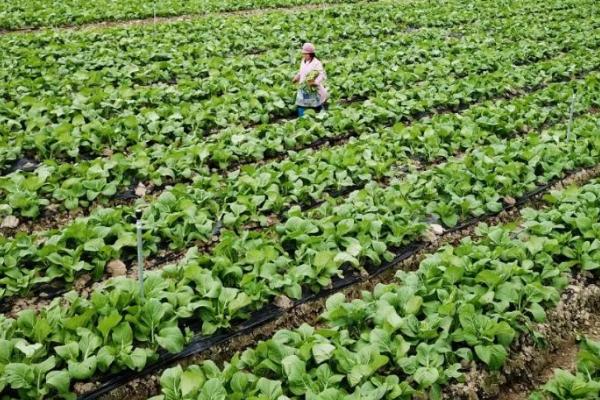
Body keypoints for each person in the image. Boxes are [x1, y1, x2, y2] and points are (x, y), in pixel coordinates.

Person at [292, 42, 328, 117]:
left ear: (311, 54)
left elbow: (321, 74)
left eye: (306, 54)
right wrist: (297, 77)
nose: (304, 55)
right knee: (301, 103)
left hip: (313, 88)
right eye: (303, 54)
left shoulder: (316, 63)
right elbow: (301, 71)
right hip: (303, 87)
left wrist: (315, 82)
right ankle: (302, 119)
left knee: (315, 104)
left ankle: (321, 116)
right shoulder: (303, 61)